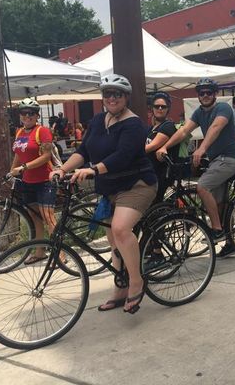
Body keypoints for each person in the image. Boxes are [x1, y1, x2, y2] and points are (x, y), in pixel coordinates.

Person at [54, 75, 157, 314]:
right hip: (110, 186)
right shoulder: (99, 120)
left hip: (137, 184)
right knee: (112, 240)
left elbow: (122, 156)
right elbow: (83, 150)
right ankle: (119, 288)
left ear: (126, 97)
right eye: (107, 93)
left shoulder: (134, 125)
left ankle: (136, 282)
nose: (111, 98)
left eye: (117, 94)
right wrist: (62, 169)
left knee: (121, 230)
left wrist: (92, 170)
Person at [156, 78, 235, 258]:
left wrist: (202, 149)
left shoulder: (223, 108)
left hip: (229, 159)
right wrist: (164, 146)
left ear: (215, 94)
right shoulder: (198, 112)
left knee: (201, 187)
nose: (205, 96)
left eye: (208, 92)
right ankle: (230, 242)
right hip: (216, 161)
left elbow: (215, 128)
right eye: (201, 93)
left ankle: (217, 229)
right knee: (219, 205)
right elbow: (184, 131)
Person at [10, 98, 58, 264]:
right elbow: (18, 153)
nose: (27, 116)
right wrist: (12, 171)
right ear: (20, 116)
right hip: (27, 182)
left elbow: (46, 156)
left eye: (31, 113)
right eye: (24, 113)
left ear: (37, 115)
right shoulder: (19, 132)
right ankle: (40, 251)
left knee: (48, 217)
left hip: (45, 180)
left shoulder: (42, 131)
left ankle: (60, 253)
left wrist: (23, 168)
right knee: (35, 217)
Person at [145, 92, 178, 203]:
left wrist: (131, 153)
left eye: (163, 106)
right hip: (150, 172)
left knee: (153, 206)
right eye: (156, 106)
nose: (160, 108)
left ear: (168, 109)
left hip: (161, 174)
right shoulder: (151, 128)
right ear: (152, 108)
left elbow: (152, 146)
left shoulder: (168, 126)